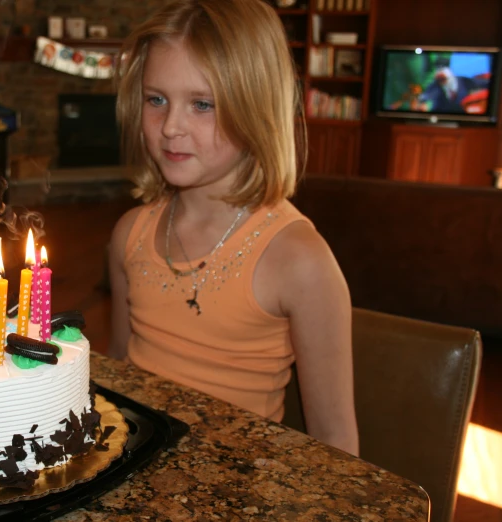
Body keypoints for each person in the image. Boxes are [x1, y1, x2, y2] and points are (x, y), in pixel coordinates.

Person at [108, 0, 359, 455]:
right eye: (156, 99)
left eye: (202, 104)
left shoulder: (298, 260)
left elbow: (337, 444)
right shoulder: (130, 234)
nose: (170, 127)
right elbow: (120, 383)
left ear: (256, 107)